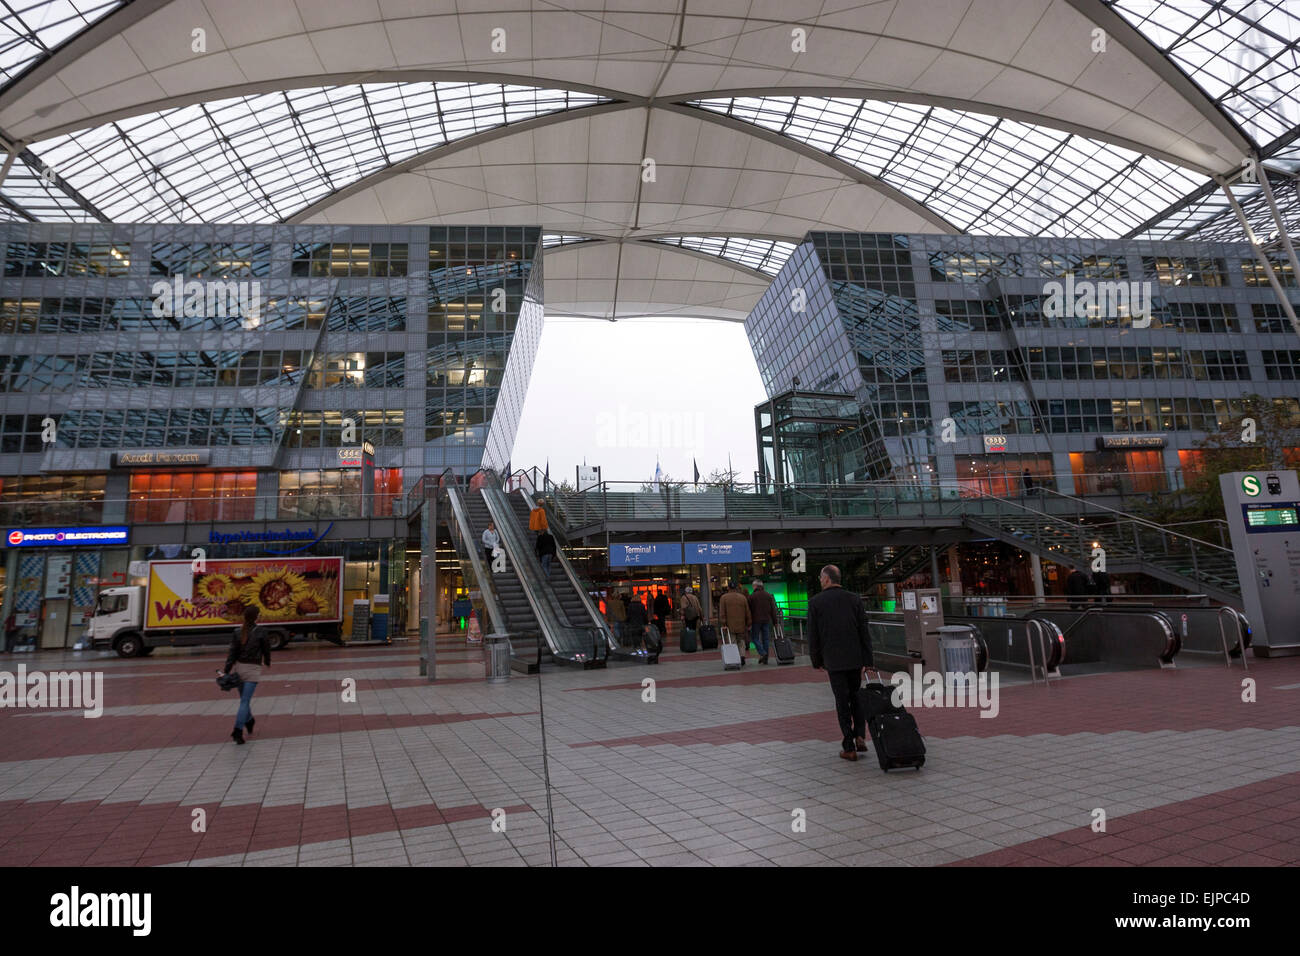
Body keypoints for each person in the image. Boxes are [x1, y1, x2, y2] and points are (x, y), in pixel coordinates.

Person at [807, 564, 872, 762]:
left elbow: (813, 636)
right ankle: (860, 735)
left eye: (820, 577)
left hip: (833, 661)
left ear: (827, 579)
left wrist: (816, 660)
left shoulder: (816, 602)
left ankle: (849, 746)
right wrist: (868, 659)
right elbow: (864, 631)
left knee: (841, 702)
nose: (819, 580)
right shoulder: (854, 599)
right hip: (854, 658)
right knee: (856, 696)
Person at [222, 605, 271, 745]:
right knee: (245, 701)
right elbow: (266, 649)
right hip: (253, 669)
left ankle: (249, 721)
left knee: (244, 700)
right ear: (256, 616)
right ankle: (237, 730)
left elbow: (232, 651)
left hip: (239, 668)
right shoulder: (261, 631)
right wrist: (267, 662)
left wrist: (227, 669)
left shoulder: (238, 632)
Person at [747, 580, 781, 665]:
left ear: (755, 586)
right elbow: (773, 610)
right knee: (765, 639)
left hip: (756, 621)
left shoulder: (752, 596)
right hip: (766, 620)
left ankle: (763, 653)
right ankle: (765, 658)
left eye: (753, 586)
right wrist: (775, 621)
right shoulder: (768, 595)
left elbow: (749, 610)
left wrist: (748, 622)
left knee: (755, 638)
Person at [718, 582, 752, 665]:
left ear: (728, 588)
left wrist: (723, 623)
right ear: (736, 588)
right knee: (741, 641)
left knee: (732, 641)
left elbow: (722, 612)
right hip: (741, 624)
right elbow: (747, 611)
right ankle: (742, 656)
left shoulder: (724, 598)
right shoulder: (742, 597)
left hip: (730, 624)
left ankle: (735, 658)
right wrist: (749, 623)